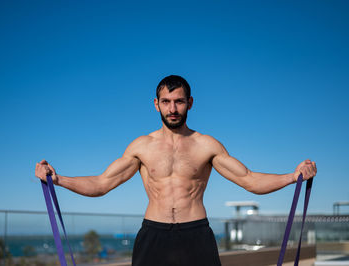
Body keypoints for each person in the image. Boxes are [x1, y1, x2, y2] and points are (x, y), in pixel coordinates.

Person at [35, 75, 317, 266]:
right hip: (153, 236)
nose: (173, 109)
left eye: (179, 101)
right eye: (166, 102)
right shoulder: (141, 147)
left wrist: (293, 177)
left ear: (190, 103)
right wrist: (58, 179)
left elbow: (249, 180)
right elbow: (102, 183)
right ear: (156, 104)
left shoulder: (206, 145)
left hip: (196, 235)